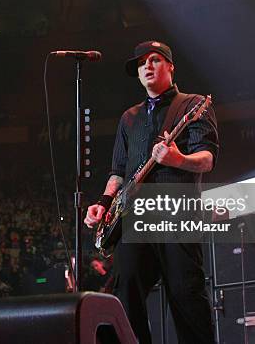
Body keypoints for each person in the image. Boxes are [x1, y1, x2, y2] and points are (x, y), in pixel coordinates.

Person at [84, 40, 218, 344]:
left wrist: (177, 159)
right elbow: (117, 172)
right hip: (135, 218)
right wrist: (103, 205)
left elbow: (207, 159)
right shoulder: (129, 117)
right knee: (124, 289)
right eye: (142, 62)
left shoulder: (193, 105)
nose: (147, 66)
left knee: (186, 295)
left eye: (155, 60)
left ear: (170, 66)